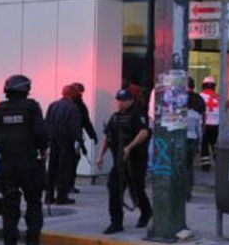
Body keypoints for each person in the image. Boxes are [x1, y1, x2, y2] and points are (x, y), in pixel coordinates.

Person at [0, 74, 50, 245]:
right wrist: (42, 147)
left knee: (10, 210)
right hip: (29, 164)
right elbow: (41, 133)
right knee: (33, 204)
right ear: (26, 89)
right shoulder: (31, 107)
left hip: (7, 166)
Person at [96, 89, 153, 234]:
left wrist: (129, 147)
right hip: (120, 160)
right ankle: (116, 222)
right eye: (118, 100)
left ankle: (146, 212)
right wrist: (101, 156)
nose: (120, 103)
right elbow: (108, 138)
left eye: (123, 100)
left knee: (137, 188)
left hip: (136, 159)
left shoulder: (138, 114)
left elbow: (144, 133)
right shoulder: (115, 117)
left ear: (130, 101)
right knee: (114, 188)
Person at [45, 85, 83, 205]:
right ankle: (62, 197)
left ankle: (49, 196)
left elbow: (47, 123)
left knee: (52, 169)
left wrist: (48, 140)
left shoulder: (53, 105)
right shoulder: (73, 108)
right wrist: (80, 141)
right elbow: (75, 127)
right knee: (64, 170)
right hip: (66, 142)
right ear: (72, 94)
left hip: (53, 142)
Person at [70, 82, 98, 193]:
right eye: (79, 92)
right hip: (72, 137)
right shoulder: (76, 105)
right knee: (71, 161)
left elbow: (86, 122)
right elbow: (86, 122)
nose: (81, 94)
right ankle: (67, 184)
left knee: (72, 160)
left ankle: (67, 184)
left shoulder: (79, 105)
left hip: (72, 137)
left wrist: (92, 135)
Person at [186, 77, 205, 202]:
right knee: (189, 167)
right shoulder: (199, 101)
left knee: (179, 167)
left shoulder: (179, 105)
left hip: (180, 139)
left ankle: (179, 191)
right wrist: (199, 144)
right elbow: (200, 128)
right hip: (192, 138)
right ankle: (188, 192)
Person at [199, 76, 220, 171]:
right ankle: (219, 163)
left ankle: (205, 166)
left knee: (204, 145)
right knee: (215, 144)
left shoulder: (200, 96)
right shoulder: (218, 97)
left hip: (204, 124)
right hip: (216, 124)